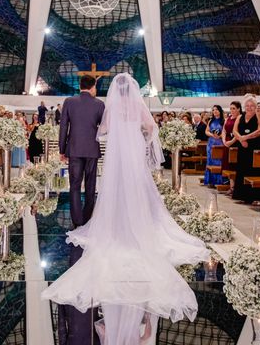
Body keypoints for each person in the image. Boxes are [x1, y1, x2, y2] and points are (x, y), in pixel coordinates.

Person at [42, 74, 209, 344]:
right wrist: (142, 138)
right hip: (134, 156)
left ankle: (116, 227)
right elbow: (151, 126)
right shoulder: (137, 106)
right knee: (138, 192)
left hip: (119, 157)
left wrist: (112, 129)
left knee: (115, 192)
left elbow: (103, 131)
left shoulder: (110, 107)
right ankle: (137, 227)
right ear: (131, 89)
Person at [58, 75, 106, 227]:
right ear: (93, 87)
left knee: (75, 185)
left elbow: (64, 126)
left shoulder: (69, 102)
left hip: (74, 149)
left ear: (80, 86)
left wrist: (62, 149)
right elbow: (104, 128)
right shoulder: (99, 104)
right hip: (92, 149)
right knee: (91, 185)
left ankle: (77, 221)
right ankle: (87, 219)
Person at [232, 97, 260, 202]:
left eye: (252, 106)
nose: (249, 108)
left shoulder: (258, 116)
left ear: (255, 107)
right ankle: (241, 195)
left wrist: (246, 137)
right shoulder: (240, 117)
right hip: (242, 146)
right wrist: (241, 139)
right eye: (247, 106)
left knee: (251, 170)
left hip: (254, 146)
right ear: (244, 107)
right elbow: (234, 130)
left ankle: (251, 196)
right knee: (241, 169)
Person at [204, 105, 224, 187]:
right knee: (210, 161)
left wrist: (220, 136)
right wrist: (212, 134)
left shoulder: (223, 120)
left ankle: (218, 181)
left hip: (219, 142)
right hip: (211, 143)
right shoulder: (211, 121)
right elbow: (206, 131)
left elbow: (225, 131)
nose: (215, 111)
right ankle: (210, 181)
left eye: (216, 110)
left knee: (218, 161)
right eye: (213, 110)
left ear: (220, 111)